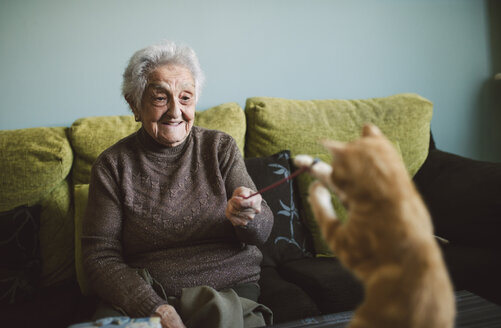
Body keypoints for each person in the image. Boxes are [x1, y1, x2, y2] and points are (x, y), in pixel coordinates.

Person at [81, 40, 274, 328]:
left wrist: (250, 216)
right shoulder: (113, 165)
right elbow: (99, 256)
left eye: (185, 98)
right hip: (146, 292)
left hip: (227, 290)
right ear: (135, 104)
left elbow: (262, 230)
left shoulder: (219, 148)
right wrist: (154, 307)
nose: (174, 111)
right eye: (160, 98)